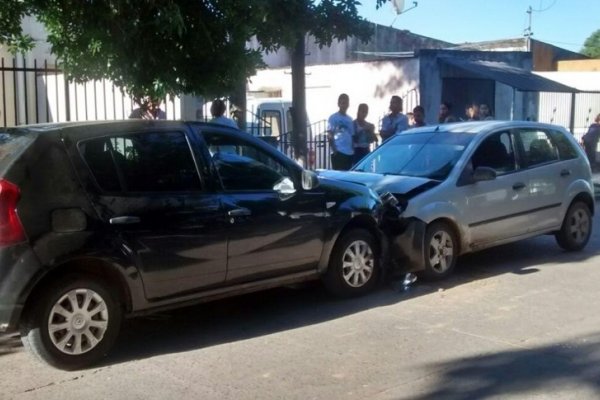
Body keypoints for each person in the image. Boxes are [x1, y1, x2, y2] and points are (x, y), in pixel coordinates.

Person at [327, 93, 354, 170]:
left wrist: (352, 149)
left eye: (346, 103)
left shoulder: (350, 119)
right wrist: (334, 150)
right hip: (338, 152)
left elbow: (352, 135)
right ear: (338, 104)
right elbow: (329, 134)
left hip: (349, 153)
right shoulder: (333, 118)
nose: (344, 105)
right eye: (342, 103)